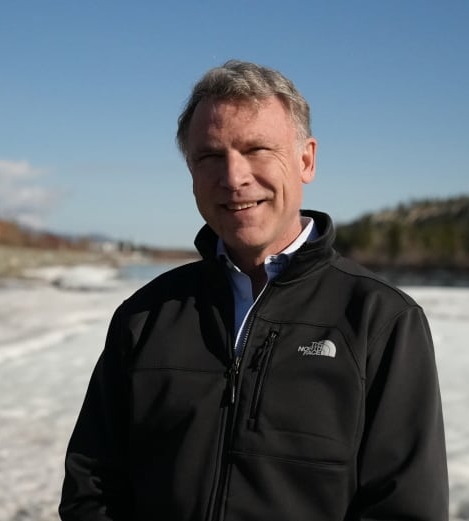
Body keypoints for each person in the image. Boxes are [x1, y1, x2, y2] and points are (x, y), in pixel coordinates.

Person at [59, 60, 448, 520]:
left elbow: (404, 509)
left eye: (257, 149)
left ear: (306, 159)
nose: (233, 177)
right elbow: (92, 485)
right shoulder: (146, 315)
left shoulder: (380, 321)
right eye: (209, 156)